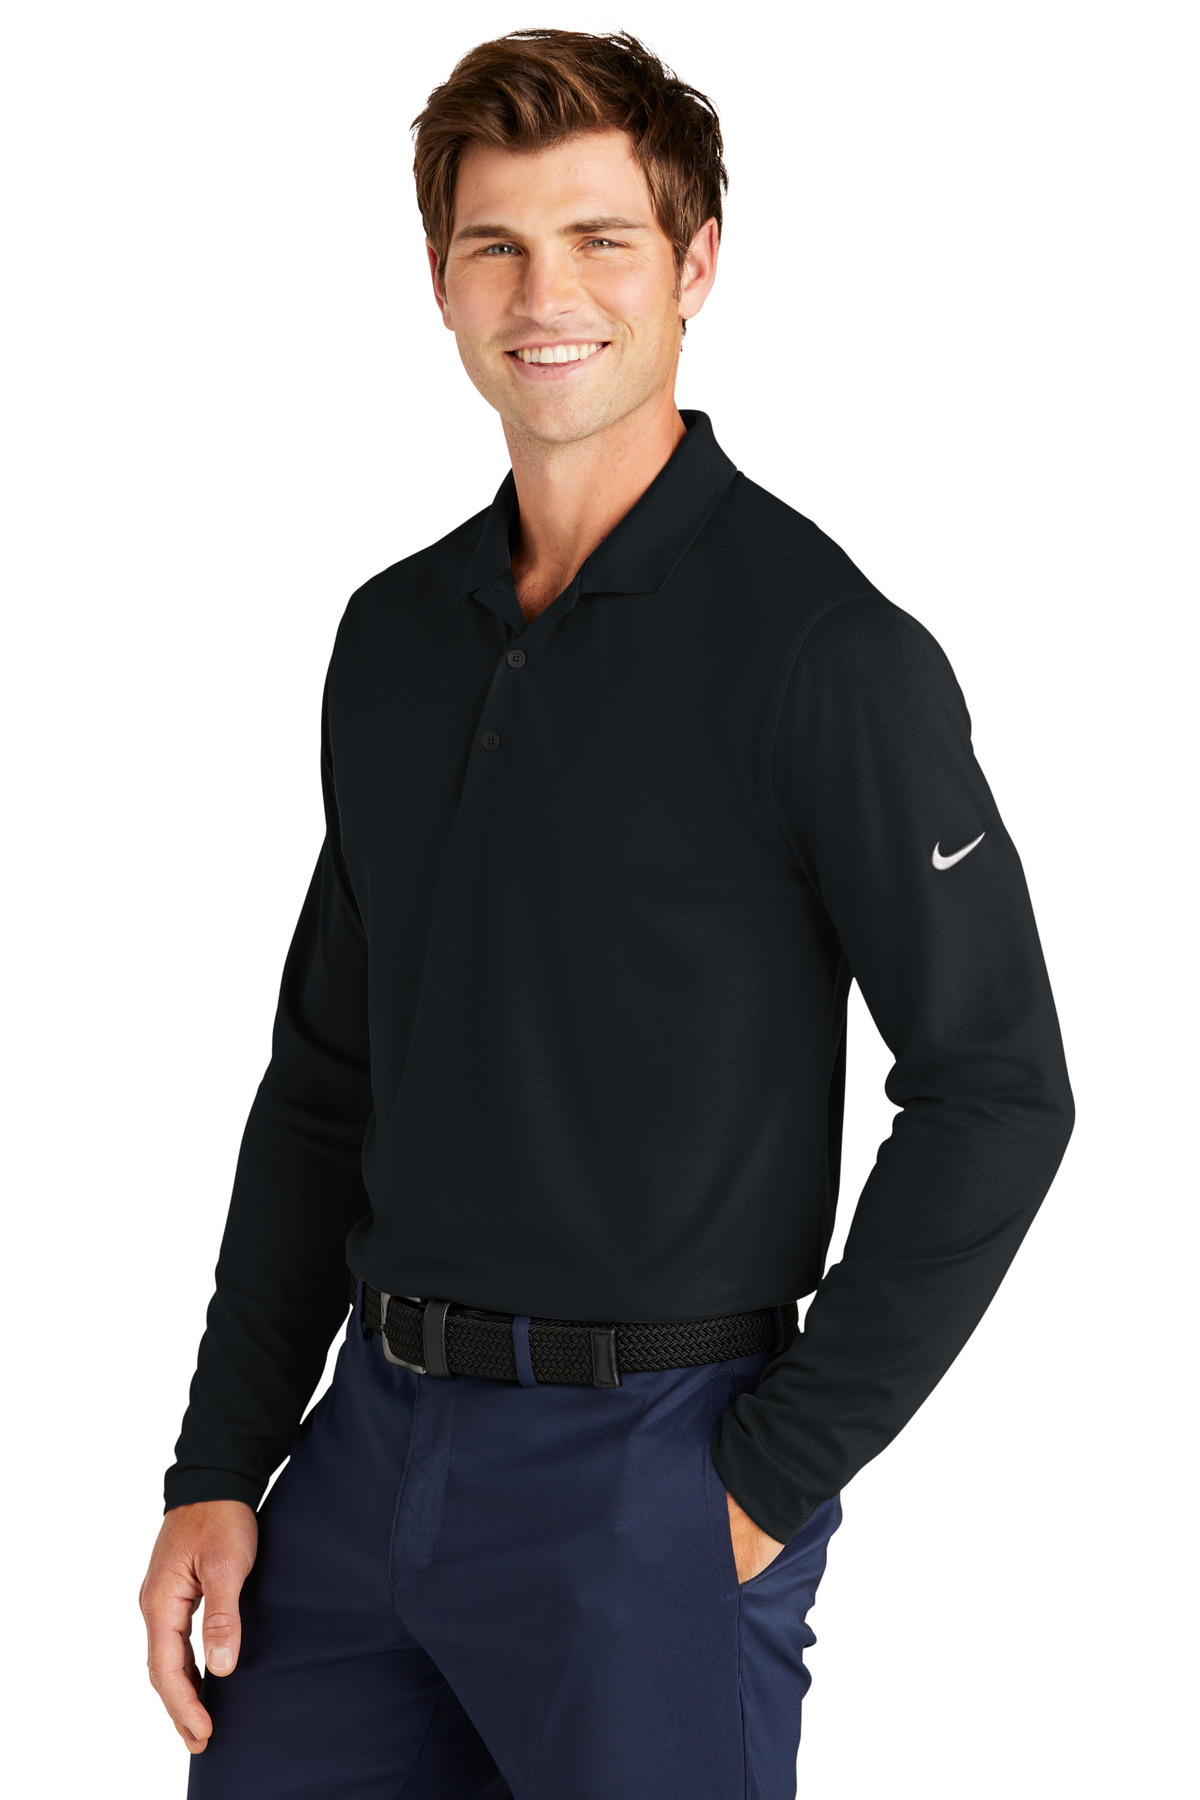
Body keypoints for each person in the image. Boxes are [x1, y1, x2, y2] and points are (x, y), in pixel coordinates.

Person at [139, 27, 1074, 1798]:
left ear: (695, 265)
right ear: (439, 280)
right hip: (363, 1460)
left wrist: (766, 1480)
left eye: (600, 241)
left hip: (652, 1471)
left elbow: (1000, 1088)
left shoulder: (825, 654)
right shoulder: (392, 640)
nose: (543, 295)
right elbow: (326, 1084)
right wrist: (221, 1463)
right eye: (495, 245)